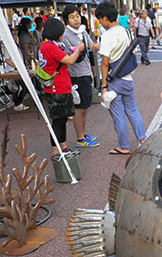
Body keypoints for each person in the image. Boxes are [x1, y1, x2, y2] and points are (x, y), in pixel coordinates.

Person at [97, 1, 147, 156]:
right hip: (127, 78)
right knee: (133, 110)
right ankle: (143, 140)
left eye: (100, 19)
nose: (100, 23)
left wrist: (104, 86)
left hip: (114, 79)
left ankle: (124, 146)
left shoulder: (107, 36)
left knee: (118, 114)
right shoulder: (126, 31)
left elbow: (105, 63)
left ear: (105, 18)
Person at [39, 18, 85, 158]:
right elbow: (70, 61)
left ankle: (63, 147)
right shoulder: (51, 47)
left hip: (58, 87)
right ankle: (56, 150)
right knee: (58, 121)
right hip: (57, 88)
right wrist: (78, 49)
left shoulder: (46, 45)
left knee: (62, 119)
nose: (62, 35)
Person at [62, 5, 101, 149]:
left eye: (77, 16)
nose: (76, 19)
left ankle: (83, 134)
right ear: (66, 20)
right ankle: (80, 138)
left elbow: (92, 47)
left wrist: (98, 45)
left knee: (85, 107)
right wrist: (77, 50)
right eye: (72, 17)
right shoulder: (66, 36)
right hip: (75, 76)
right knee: (78, 108)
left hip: (86, 74)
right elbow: (66, 56)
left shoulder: (83, 32)